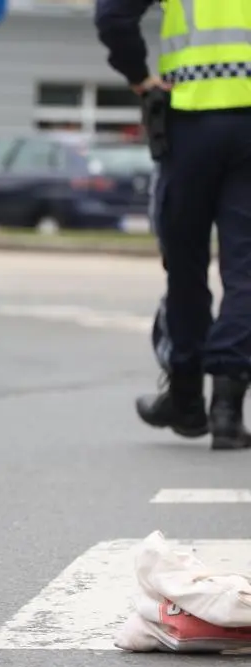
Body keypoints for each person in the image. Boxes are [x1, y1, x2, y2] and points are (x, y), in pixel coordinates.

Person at [96, 0, 251, 450]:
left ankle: (186, 398)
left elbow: (113, 16)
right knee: (245, 270)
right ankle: (228, 407)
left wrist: (140, 77)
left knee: (185, 263)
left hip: (190, 124)